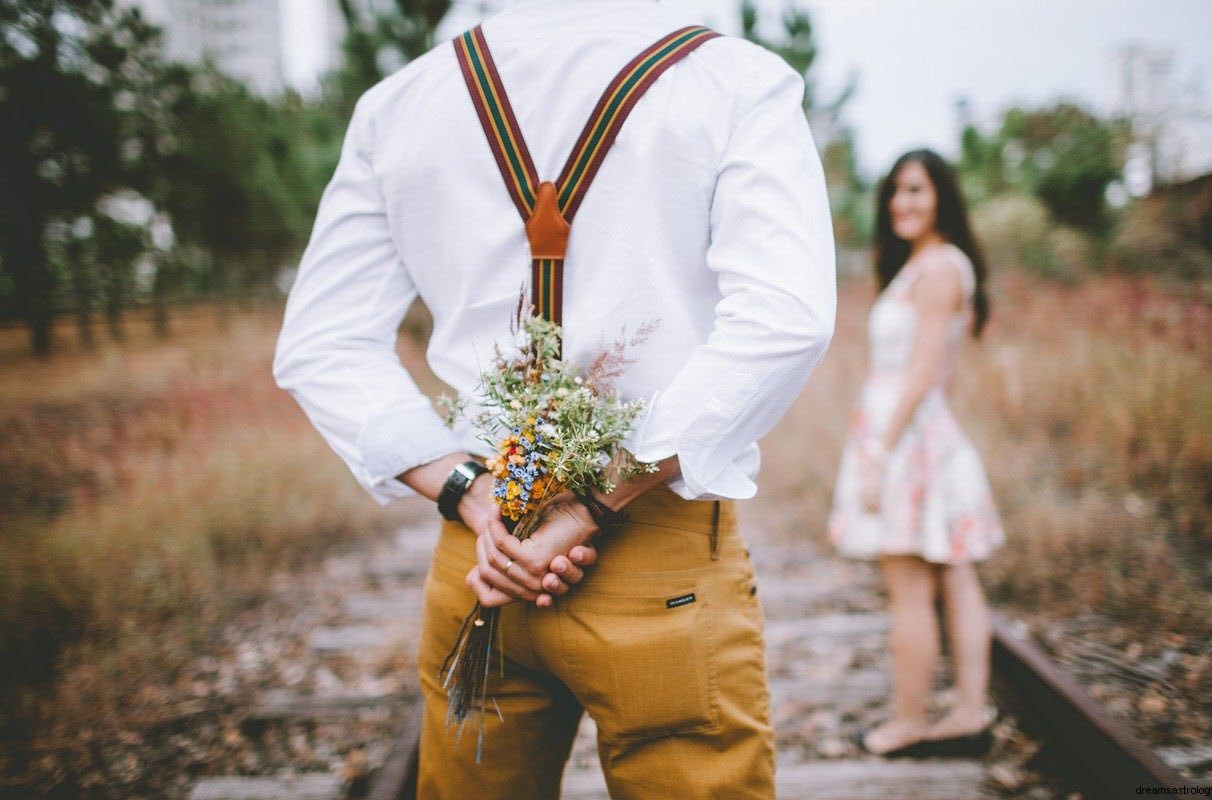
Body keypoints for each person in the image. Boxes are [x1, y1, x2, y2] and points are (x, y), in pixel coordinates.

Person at [272, 0, 836, 796]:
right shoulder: (731, 80)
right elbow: (786, 318)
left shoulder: (400, 103)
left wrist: (472, 492)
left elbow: (321, 344)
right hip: (654, 551)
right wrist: (589, 504)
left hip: (485, 558)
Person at [827, 148, 1005, 758]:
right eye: (895, 192)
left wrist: (879, 451)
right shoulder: (930, 265)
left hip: (904, 439)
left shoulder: (937, 270)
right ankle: (967, 712)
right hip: (918, 432)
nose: (902, 203)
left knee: (909, 587)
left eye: (916, 190)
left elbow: (925, 369)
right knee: (955, 575)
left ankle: (910, 722)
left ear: (942, 198)